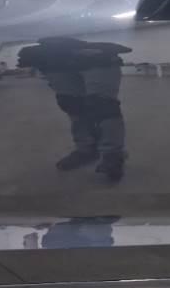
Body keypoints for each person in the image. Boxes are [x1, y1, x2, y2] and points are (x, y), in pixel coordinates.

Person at [18, 37, 131, 182]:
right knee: (73, 105)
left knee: (103, 106)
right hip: (51, 58)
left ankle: (113, 155)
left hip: (96, 55)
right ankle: (86, 149)